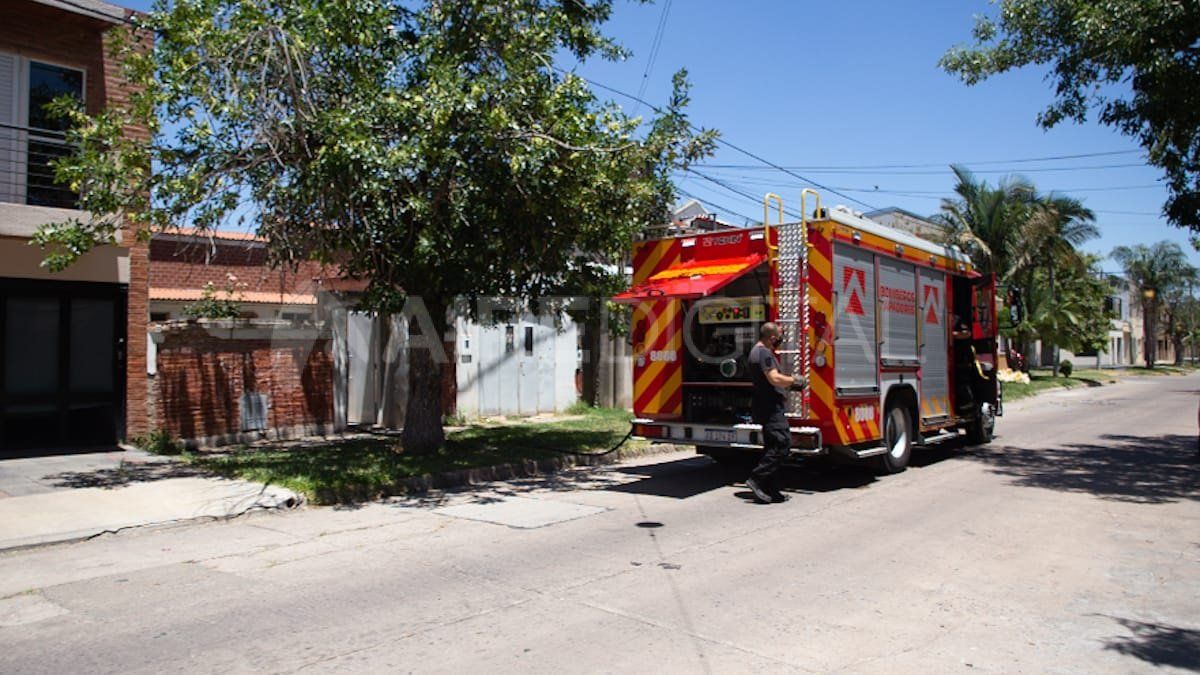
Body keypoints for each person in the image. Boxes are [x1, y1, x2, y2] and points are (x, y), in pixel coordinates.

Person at [745, 322, 807, 504]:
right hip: (770, 407)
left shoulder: (756, 351)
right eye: (779, 335)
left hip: (765, 405)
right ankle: (756, 479)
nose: (781, 338)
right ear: (772, 337)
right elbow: (774, 377)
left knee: (772, 446)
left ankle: (772, 490)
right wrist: (794, 380)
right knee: (782, 444)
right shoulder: (763, 352)